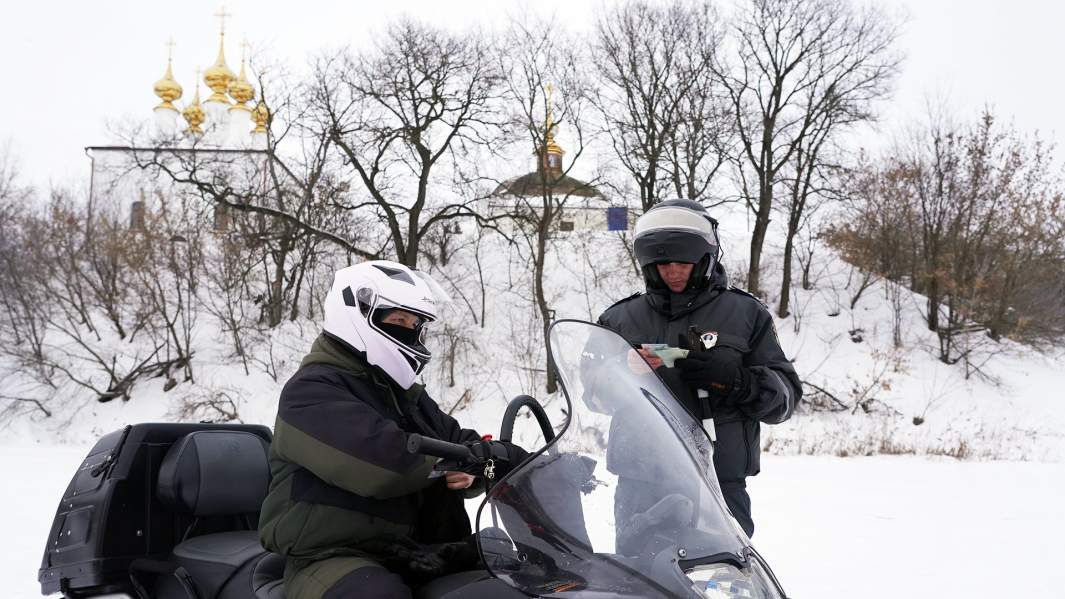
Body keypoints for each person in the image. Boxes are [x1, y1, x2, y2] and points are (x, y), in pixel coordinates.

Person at [259, 260, 527, 599]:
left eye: (415, 324)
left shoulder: (405, 396)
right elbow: (384, 463)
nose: (410, 331)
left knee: (512, 572)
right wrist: (459, 462)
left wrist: (504, 460)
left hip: (416, 552)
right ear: (356, 314)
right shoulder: (310, 393)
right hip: (333, 558)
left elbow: (458, 441)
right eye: (399, 320)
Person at [597, 199, 801, 538]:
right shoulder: (619, 319)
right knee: (641, 583)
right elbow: (591, 393)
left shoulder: (746, 314)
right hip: (641, 485)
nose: (672, 271)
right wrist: (622, 372)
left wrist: (738, 382)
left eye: (682, 262)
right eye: (663, 263)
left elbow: (786, 399)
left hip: (718, 481)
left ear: (704, 259)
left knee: (721, 584)